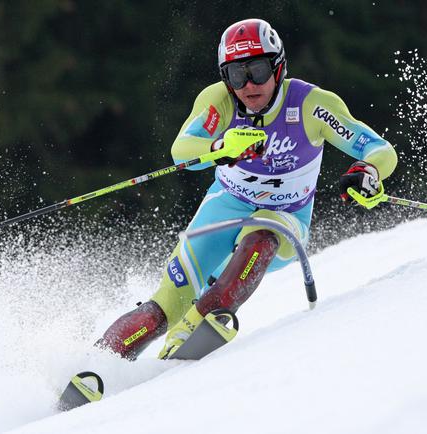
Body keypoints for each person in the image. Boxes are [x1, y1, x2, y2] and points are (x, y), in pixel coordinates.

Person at [96, 18, 397, 360]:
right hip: (226, 206)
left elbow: (379, 148)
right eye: (237, 75)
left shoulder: (312, 104)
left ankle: (194, 325)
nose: (249, 85)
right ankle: (95, 364)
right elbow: (182, 150)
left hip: (286, 217)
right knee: (164, 305)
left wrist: (367, 170)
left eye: (257, 70)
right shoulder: (219, 100)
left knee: (262, 233)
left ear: (278, 67)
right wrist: (219, 146)